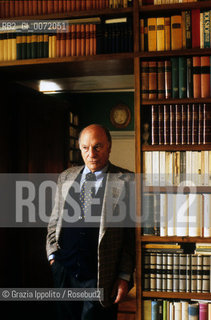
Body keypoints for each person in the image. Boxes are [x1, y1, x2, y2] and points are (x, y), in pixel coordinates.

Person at [46, 124, 135, 320]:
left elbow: (131, 237)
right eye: (85, 148)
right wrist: (53, 256)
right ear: (79, 148)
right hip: (64, 271)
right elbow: (54, 221)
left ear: (109, 146)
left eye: (98, 146)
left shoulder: (127, 180)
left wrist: (124, 276)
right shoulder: (66, 177)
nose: (91, 153)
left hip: (102, 276)